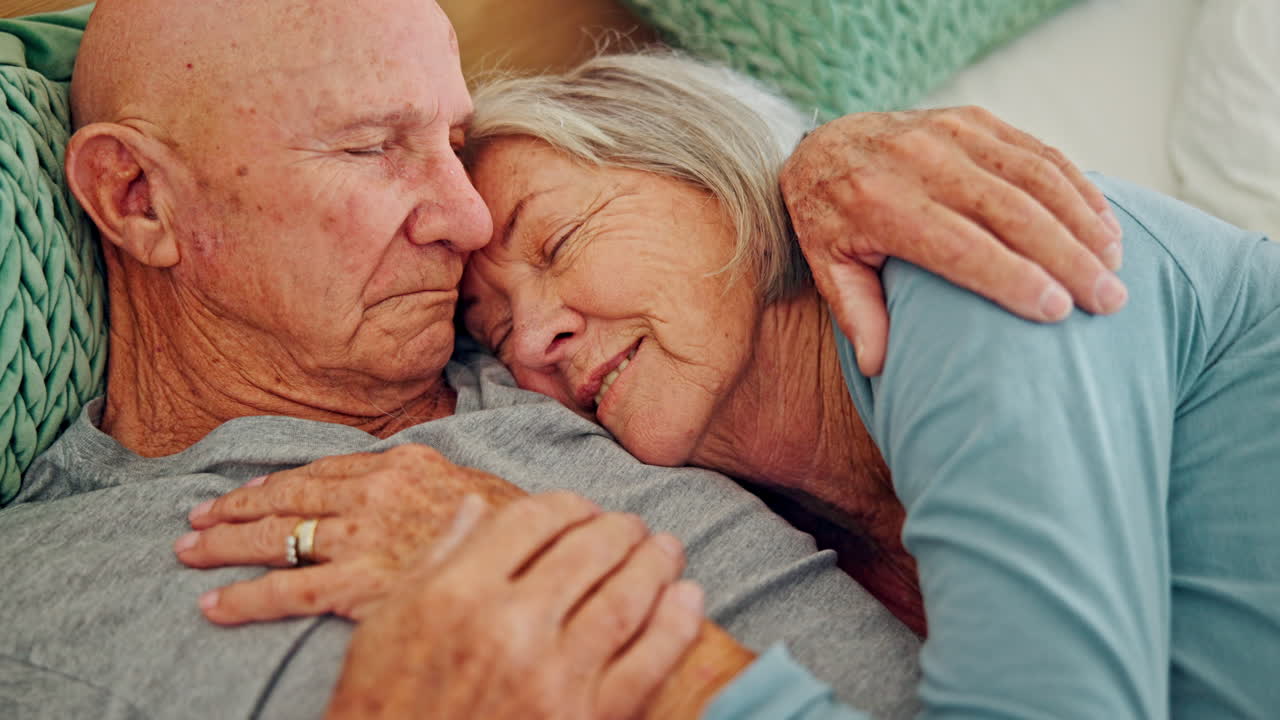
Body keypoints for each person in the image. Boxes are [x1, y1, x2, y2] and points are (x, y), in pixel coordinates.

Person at [0, 1, 1126, 718]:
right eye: (372, 146)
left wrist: (816, 159)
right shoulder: (51, 599)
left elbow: (722, 250)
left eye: (451, 141)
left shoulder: (567, 351)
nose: (464, 217)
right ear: (136, 198)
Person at [455, 52, 1280, 717]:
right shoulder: (802, 550)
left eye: (559, 241)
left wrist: (671, 684)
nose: (531, 341)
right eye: (496, 333)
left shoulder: (965, 271)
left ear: (709, 171)